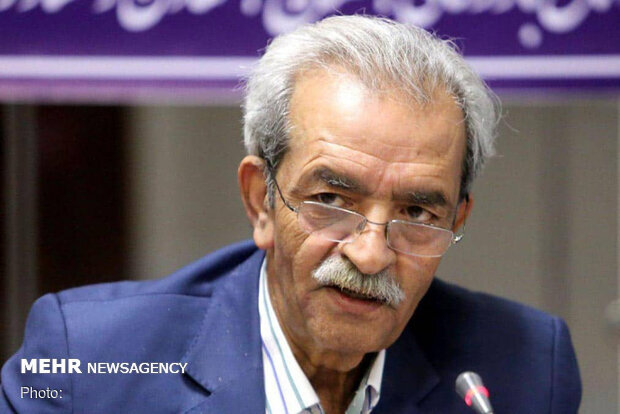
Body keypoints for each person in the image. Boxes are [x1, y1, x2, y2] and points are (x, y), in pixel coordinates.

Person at [1, 15, 580, 414]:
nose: (371, 254)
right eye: (332, 201)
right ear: (261, 200)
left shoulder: (523, 368)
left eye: (416, 211)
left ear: (457, 221)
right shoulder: (88, 362)